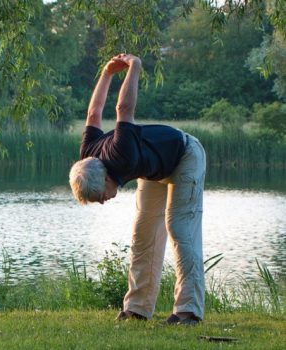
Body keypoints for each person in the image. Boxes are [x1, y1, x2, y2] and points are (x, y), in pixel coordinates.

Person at [69, 53, 206, 325]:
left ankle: (189, 310)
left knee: (179, 228)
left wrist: (134, 67)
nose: (103, 202)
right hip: (154, 169)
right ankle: (137, 308)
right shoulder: (88, 155)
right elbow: (94, 113)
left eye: (99, 197)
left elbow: (124, 109)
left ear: (106, 177)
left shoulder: (121, 154)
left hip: (185, 155)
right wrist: (106, 73)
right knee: (143, 234)